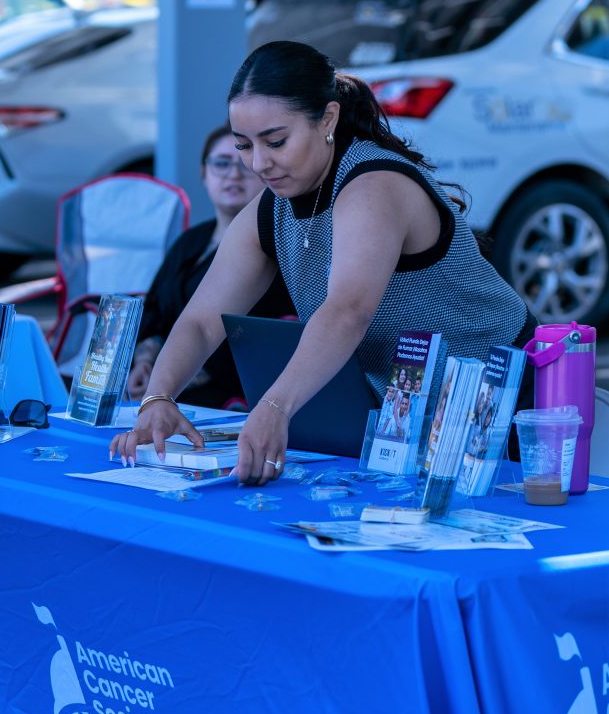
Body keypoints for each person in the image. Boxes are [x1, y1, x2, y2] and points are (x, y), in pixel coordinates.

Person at [112, 40, 537, 481]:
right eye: (243, 145)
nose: (259, 163)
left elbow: (347, 310)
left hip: (503, 391)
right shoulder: (273, 205)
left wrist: (275, 406)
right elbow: (202, 320)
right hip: (411, 405)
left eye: (276, 141)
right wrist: (158, 398)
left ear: (328, 119)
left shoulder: (373, 183)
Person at [127, 123, 294, 408]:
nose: (233, 175)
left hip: (234, 396)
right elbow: (156, 313)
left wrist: (168, 379)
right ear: (204, 173)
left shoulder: (278, 248)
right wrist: (145, 362)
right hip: (165, 386)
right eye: (221, 164)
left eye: (243, 165)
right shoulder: (191, 241)